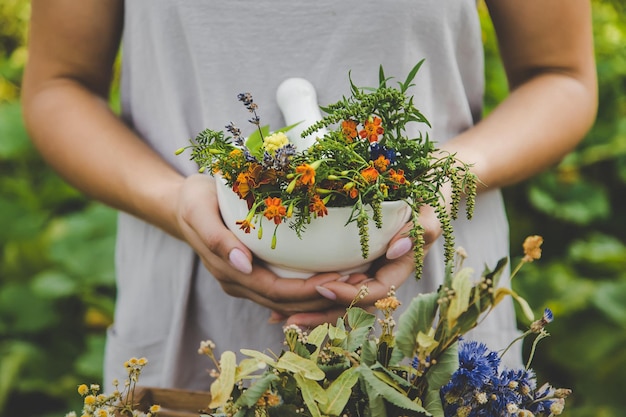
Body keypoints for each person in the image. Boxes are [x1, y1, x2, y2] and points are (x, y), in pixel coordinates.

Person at [21, 0, 597, 390]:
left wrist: (444, 176)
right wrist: (172, 200)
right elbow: (58, 85)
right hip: (192, 322)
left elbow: (561, 74)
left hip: (432, 313)